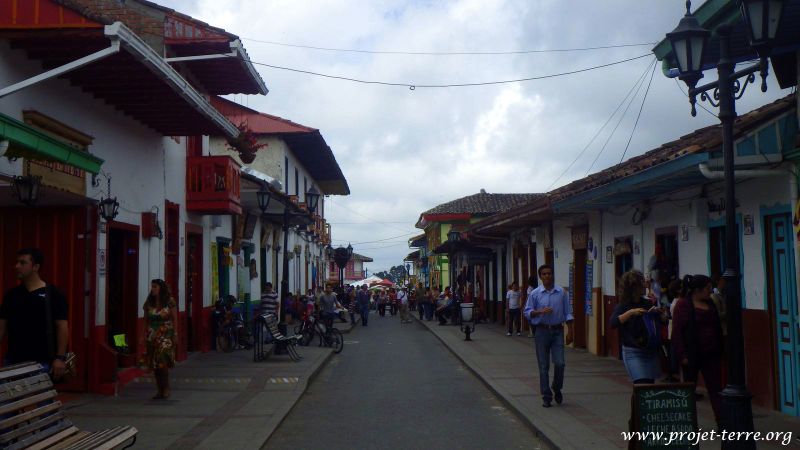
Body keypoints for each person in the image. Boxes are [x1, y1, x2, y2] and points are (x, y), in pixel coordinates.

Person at [0, 248, 68, 380]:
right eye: (17, 262)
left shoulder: (53, 294)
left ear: (36, 267)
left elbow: (62, 327)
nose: (16, 266)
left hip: (42, 363)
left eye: (22, 263)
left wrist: (60, 358)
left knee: (44, 394)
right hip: (13, 362)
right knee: (10, 394)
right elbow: (1, 328)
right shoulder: (11, 295)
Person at [671, 274, 724, 424]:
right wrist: (682, 355)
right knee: (688, 391)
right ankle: (687, 424)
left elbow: (717, 326)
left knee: (716, 389)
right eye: (707, 288)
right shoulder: (683, 305)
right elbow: (677, 332)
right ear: (697, 290)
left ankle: (722, 423)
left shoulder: (710, 304)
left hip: (711, 353)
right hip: (691, 354)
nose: (710, 291)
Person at [523, 265, 573, 408]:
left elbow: (568, 313)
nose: (547, 276)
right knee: (543, 366)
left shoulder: (561, 292)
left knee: (560, 363)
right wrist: (539, 312)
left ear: (552, 275)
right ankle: (546, 395)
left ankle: (556, 387)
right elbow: (527, 312)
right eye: (544, 274)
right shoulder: (535, 294)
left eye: (549, 273)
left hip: (557, 331)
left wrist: (570, 331)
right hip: (542, 331)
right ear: (540, 277)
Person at [610, 270, 668, 384]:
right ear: (633, 286)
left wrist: (661, 316)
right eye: (642, 282)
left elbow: (659, 323)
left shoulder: (647, 303)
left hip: (650, 350)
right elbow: (613, 322)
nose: (645, 285)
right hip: (633, 351)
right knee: (641, 382)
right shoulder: (623, 305)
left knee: (649, 385)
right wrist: (631, 312)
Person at [143, 279, 177, 399]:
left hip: (166, 334)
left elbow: (174, 318)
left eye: (155, 287)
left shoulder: (169, 301)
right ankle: (159, 389)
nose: (153, 289)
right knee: (154, 364)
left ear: (161, 288)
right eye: (152, 286)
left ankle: (166, 388)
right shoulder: (149, 302)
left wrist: (175, 333)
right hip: (152, 335)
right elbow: (145, 320)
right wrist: (143, 334)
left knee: (162, 361)